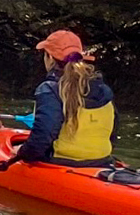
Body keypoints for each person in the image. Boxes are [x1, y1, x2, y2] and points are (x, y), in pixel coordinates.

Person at [13, 29, 115, 165]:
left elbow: (44, 134)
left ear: (49, 57)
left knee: (17, 149)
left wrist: (23, 154)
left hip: (61, 161)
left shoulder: (49, 89)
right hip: (102, 160)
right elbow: (113, 131)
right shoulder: (103, 89)